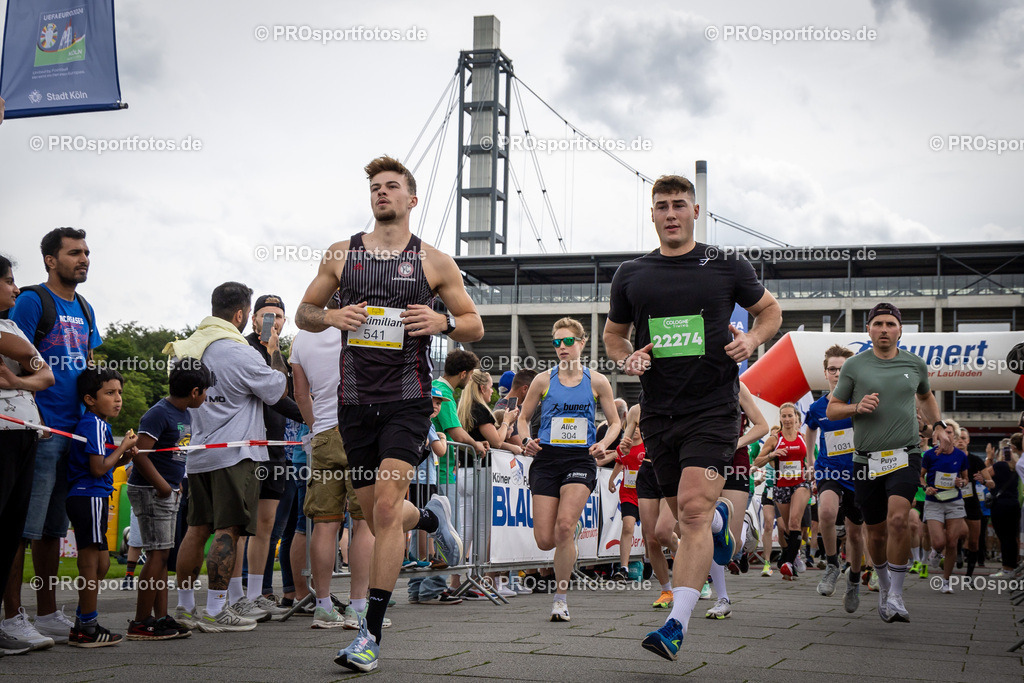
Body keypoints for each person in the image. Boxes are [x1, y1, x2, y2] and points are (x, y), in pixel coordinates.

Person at [295, 155, 482, 673]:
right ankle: (430, 518)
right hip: (354, 405)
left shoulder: (434, 261)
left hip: (407, 400)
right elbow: (304, 313)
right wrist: (331, 315)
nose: (381, 192)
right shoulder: (342, 253)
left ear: (411, 199)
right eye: (375, 186)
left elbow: (474, 324)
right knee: (380, 515)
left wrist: (442, 323)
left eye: (392, 186)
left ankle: (369, 635)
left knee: (382, 510)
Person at [604, 174, 781, 661]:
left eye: (679, 204)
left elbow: (769, 310)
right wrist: (626, 357)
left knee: (693, 511)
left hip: (713, 409)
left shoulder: (725, 263)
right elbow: (614, 335)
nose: (671, 213)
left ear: (695, 211)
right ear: (652, 214)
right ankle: (723, 524)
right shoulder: (632, 274)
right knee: (682, 521)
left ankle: (675, 626)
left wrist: (753, 339)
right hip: (659, 414)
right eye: (662, 205)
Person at [169, 281, 289, 633]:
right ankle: (216, 608)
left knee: (196, 530)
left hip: (199, 452)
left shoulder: (188, 348)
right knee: (228, 531)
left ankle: (185, 607)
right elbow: (277, 388)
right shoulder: (240, 352)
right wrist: (273, 351)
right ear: (240, 314)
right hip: (234, 454)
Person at [4, 228, 102, 646]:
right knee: (21, 529)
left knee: (52, 530)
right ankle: (12, 616)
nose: (84, 259)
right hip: (39, 430)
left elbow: (89, 364)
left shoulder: (85, 306)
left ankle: (46, 613)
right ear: (50, 259)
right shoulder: (32, 301)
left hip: (74, 432)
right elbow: (14, 355)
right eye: (74, 252)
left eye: (86, 253)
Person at [828, 302, 946, 623]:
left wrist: (937, 425)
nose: (884, 329)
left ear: (900, 330)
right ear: (868, 329)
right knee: (876, 533)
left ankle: (896, 594)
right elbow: (833, 408)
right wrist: (856, 407)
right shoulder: (854, 366)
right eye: (878, 323)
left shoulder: (915, 364)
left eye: (890, 324)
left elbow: (925, 396)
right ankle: (883, 586)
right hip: (866, 460)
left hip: (906, 454)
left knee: (898, 520)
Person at [518, 317, 621, 622]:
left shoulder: (597, 381)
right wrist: (525, 440)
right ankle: (570, 531)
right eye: (556, 342)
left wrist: (604, 443)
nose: (561, 347)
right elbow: (522, 418)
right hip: (547, 459)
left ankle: (560, 600)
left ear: (581, 343)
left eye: (567, 341)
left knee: (563, 526)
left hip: (580, 459)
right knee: (544, 540)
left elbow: (615, 422)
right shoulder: (543, 380)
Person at [290, 305, 382, 630]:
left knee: (325, 523)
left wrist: (317, 427)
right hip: (363, 429)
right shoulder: (365, 324)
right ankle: (358, 608)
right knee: (364, 523)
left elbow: (300, 393)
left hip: (325, 432)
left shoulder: (301, 336)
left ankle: (323, 606)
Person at [127, 359, 213, 639]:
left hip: (168, 490)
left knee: (162, 555)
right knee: (157, 555)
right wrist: (163, 487)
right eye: (205, 391)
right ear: (195, 391)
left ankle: (161, 618)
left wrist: (173, 486)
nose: (206, 396)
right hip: (150, 491)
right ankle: (141, 622)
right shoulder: (158, 414)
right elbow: (139, 455)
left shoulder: (184, 413)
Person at [0, 255, 55, 655]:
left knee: (10, 532)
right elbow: (29, 359)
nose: (15, 288)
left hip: (24, 435)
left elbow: (46, 375)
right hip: (3, 437)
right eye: (8, 281)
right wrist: (26, 373)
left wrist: (17, 381)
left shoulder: (12, 325)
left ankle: (7, 625)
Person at [65, 367, 138, 646]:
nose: (118, 399)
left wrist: (123, 456)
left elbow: (105, 465)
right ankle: (87, 626)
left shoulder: (99, 425)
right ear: (90, 399)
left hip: (93, 496)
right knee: (91, 563)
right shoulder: (94, 424)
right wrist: (122, 447)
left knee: (102, 563)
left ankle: (82, 622)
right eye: (109, 393)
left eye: (119, 392)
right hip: (89, 495)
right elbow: (97, 469)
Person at [803, 344, 866, 611]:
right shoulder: (818, 407)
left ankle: (854, 580)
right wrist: (810, 461)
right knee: (826, 513)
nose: (837, 374)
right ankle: (831, 565)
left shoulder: (859, 403)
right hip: (829, 469)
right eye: (832, 369)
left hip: (857, 472)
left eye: (842, 369)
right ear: (825, 372)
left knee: (854, 533)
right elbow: (810, 429)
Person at [705, 383, 768, 619]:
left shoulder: (737, 386)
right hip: (705, 458)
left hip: (736, 460)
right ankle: (723, 598)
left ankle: (744, 528)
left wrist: (737, 443)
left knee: (734, 545)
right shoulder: (694, 382)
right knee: (709, 532)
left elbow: (762, 426)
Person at [616, 405, 678, 609]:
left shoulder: (677, 401)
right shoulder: (636, 410)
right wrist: (624, 446)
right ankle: (666, 590)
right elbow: (625, 444)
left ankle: (686, 558)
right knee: (651, 539)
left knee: (664, 533)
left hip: (671, 469)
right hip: (648, 471)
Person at [754, 403, 810, 580]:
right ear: (780, 418)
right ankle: (792, 556)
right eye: (784, 416)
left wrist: (813, 472)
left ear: (796, 418)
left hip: (801, 484)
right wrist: (772, 454)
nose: (787, 419)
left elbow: (811, 461)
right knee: (786, 528)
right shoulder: (774, 440)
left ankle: (788, 563)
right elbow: (757, 462)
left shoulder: (803, 438)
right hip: (781, 485)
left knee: (795, 523)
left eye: (790, 416)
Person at [920, 421, 968, 594]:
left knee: (952, 542)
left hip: (954, 501)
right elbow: (920, 477)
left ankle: (946, 581)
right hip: (934, 501)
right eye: (944, 432)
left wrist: (961, 482)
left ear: (954, 436)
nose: (946, 435)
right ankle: (935, 551)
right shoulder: (930, 454)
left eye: (950, 432)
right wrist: (926, 487)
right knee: (939, 542)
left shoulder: (961, 456)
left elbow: (966, 479)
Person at [977, 439, 1020, 576]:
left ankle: (1006, 568)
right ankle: (1012, 567)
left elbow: (982, 474)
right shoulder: (1016, 466)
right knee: (1012, 537)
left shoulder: (999, 465)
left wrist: (989, 458)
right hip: (1014, 504)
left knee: (1003, 537)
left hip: (1000, 505)